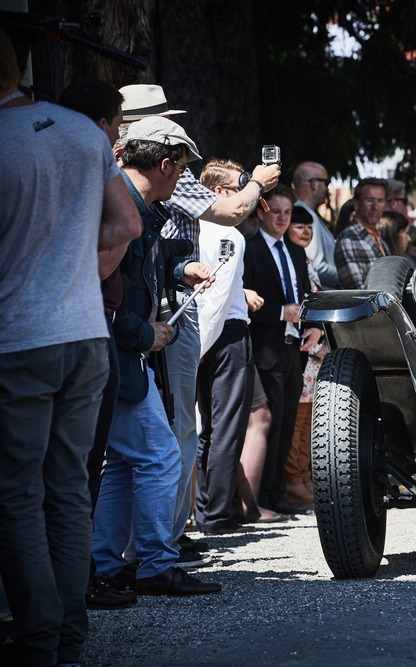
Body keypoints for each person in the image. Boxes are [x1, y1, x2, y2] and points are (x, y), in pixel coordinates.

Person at [0, 28, 141, 664]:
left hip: (19, 338)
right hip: (85, 333)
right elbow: (127, 223)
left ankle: (38, 637)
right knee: (68, 488)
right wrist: (77, 266)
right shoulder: (83, 131)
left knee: (17, 494)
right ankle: (67, 636)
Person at [119, 84, 282, 560]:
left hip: (155, 293)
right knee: (175, 429)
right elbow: (232, 211)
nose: (174, 129)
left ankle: (149, 542)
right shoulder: (161, 165)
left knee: (151, 432)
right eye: (166, 121)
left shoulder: (114, 168)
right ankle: (162, 543)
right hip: (165, 304)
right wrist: (258, 182)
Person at [91, 116, 223, 596]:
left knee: (127, 462)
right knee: (162, 456)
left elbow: (138, 270)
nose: (183, 178)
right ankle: (154, 565)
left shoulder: (133, 204)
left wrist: (181, 267)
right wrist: (143, 335)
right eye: (182, 169)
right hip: (120, 353)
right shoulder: (123, 206)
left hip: (121, 355)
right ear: (165, 165)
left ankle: (106, 564)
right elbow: (102, 292)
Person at [56, 76, 142, 610]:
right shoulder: (89, 153)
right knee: (81, 464)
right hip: (86, 321)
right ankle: (74, 585)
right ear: (105, 124)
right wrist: (83, 274)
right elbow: (128, 226)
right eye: (119, 125)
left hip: (49, 319)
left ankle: (64, 586)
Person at [195, 159, 288, 531]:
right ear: (219, 193)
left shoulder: (196, 226)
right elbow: (216, 299)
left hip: (204, 335)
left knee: (208, 427)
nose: (249, 195)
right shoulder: (228, 233)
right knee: (227, 427)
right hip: (224, 333)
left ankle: (205, 509)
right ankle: (217, 513)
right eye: (240, 188)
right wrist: (204, 344)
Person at [243, 185, 322, 515]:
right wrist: (279, 313)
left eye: (287, 212)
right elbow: (242, 302)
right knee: (271, 422)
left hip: (296, 347)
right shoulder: (249, 248)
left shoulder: (295, 251)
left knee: (287, 423)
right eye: (276, 211)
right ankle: (260, 496)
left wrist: (315, 326)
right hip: (266, 345)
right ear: (262, 212)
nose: (282, 218)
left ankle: (278, 492)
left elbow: (306, 296)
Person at [284, 207, 330, 508]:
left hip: (315, 351)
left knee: (307, 422)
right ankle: (292, 480)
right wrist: (315, 345)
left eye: (309, 227)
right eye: (299, 226)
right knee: (296, 423)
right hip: (302, 349)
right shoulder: (291, 258)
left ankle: (303, 476)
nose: (306, 232)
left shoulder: (307, 260)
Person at [335, 177, 390, 289]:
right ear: (356, 203)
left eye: (380, 201)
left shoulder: (378, 238)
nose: (375, 207)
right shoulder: (348, 239)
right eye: (369, 200)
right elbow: (359, 291)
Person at [292, 161, 339, 290]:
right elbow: (315, 264)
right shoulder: (305, 216)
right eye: (326, 183)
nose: (327, 189)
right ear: (314, 183)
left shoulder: (305, 213)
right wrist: (344, 275)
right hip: (322, 294)